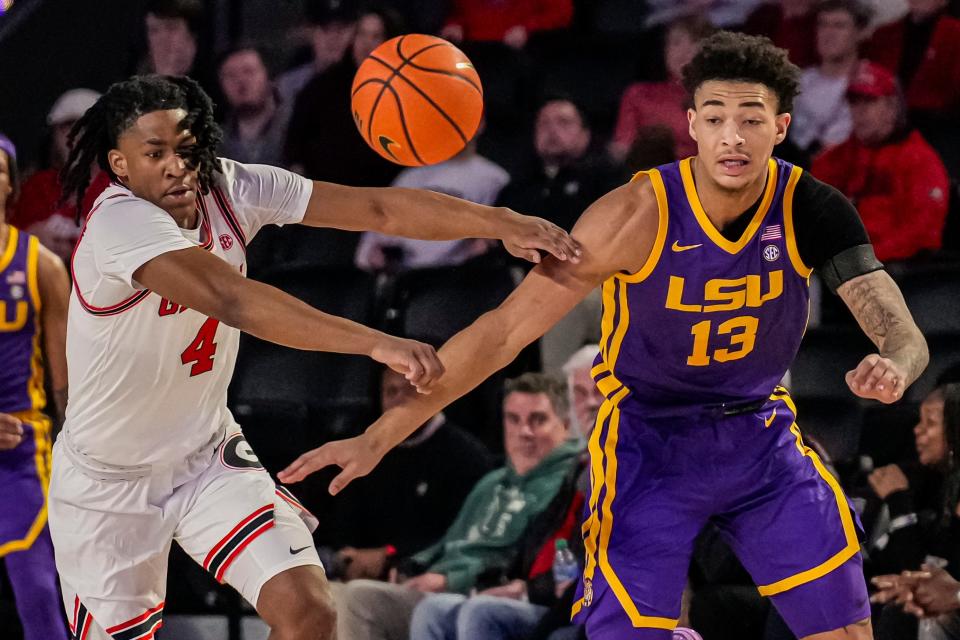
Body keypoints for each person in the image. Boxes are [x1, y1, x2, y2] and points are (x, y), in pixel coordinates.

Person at [281, 31, 931, 640]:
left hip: (757, 436)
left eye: (752, 120)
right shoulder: (634, 214)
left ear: (781, 127)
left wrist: (897, 363)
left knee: (847, 630)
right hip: (650, 442)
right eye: (716, 118)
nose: (733, 137)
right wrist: (383, 432)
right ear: (694, 124)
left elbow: (894, 322)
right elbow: (503, 330)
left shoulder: (809, 207)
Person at [49, 74, 577, 640]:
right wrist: (375, 340)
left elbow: (378, 209)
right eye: (154, 153)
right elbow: (234, 300)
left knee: (310, 613)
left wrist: (499, 223)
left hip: (204, 455)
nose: (177, 165)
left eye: (187, 148)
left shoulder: (231, 186)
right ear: (120, 165)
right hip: (110, 481)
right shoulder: (118, 223)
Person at [334, 373, 582, 640]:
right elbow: (449, 542)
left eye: (538, 419)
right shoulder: (492, 482)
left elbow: (524, 557)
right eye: (514, 419)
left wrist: (451, 580)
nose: (524, 432)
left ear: (566, 425)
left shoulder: (570, 481)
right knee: (351, 594)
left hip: (489, 590)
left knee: (433, 609)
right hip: (444, 584)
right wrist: (408, 565)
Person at [318, 366, 495, 581]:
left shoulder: (467, 456)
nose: (399, 400)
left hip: (433, 576)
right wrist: (350, 557)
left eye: (410, 390)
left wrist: (391, 554)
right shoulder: (365, 453)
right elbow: (345, 524)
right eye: (391, 392)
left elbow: (461, 534)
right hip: (361, 577)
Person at [0, 134, 71, 640]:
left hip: (21, 450)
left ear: (12, 184)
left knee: (39, 593)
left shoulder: (41, 265)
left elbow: (68, 386)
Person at [811, 61, 949, 263]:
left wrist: (864, 259)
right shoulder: (837, 158)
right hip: (833, 268)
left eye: (870, 101)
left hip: (889, 274)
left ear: (892, 107)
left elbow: (922, 234)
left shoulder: (921, 161)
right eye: (855, 103)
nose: (860, 111)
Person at [354, 133, 509, 272]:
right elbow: (366, 253)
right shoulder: (411, 175)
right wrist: (375, 256)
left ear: (480, 123)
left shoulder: (494, 178)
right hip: (399, 279)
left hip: (448, 281)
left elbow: (488, 243)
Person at [11, 88, 108, 263]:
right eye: (68, 126)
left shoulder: (125, 188)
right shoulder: (36, 187)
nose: (78, 135)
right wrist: (30, 238)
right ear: (54, 136)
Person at [609, 15, 715, 162]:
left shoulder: (723, 98)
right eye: (676, 42)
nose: (684, 51)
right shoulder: (638, 94)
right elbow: (622, 149)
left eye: (694, 42)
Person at [787, 0, 871, 163]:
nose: (828, 33)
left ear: (860, 33)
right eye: (822, 25)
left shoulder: (869, 80)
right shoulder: (801, 80)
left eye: (839, 26)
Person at [217, 45, 291, 167]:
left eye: (249, 72)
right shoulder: (216, 141)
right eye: (230, 75)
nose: (241, 81)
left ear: (269, 78)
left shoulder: (295, 128)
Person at [275, 0, 358, 107]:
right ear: (309, 32)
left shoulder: (372, 84)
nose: (333, 37)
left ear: (355, 31)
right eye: (325, 28)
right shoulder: (288, 87)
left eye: (342, 28)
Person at [439, 0, 574, 49]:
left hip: (521, 55)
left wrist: (528, 28)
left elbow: (562, 13)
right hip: (472, 51)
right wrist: (454, 25)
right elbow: (456, 12)